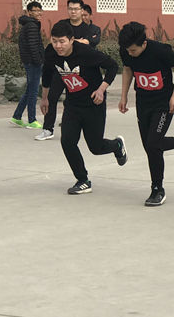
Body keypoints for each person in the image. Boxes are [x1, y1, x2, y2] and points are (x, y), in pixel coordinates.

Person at [40, 20, 127, 195]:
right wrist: (45, 98)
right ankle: (82, 180)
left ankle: (117, 145)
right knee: (67, 141)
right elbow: (47, 74)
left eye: (62, 41)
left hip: (93, 104)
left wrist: (101, 89)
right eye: (55, 41)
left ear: (72, 40)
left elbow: (112, 66)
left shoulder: (86, 53)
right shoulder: (50, 52)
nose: (58, 46)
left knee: (96, 147)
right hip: (72, 104)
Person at [118, 22, 174, 207]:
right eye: (127, 50)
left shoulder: (161, 51)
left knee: (153, 144)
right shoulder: (126, 51)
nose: (130, 53)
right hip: (143, 103)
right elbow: (127, 70)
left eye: (133, 50)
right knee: (149, 146)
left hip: (163, 103)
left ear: (144, 44)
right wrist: (123, 96)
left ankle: (157, 189)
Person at [35, 0, 96, 142]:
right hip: (61, 69)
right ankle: (47, 129)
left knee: (79, 100)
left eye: (76, 9)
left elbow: (88, 43)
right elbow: (54, 41)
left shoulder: (88, 28)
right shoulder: (62, 25)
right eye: (70, 9)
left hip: (80, 72)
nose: (73, 12)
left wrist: (70, 42)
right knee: (52, 97)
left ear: (82, 10)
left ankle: (84, 126)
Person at [11, 1, 45, 129]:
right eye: (35, 10)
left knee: (30, 90)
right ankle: (32, 120)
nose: (39, 13)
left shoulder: (29, 24)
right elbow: (33, 46)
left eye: (40, 10)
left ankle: (17, 117)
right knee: (33, 92)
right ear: (29, 12)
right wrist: (39, 61)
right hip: (33, 62)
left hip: (30, 61)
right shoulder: (31, 25)